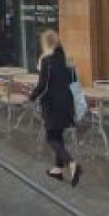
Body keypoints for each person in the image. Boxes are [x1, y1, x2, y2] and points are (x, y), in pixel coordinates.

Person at [29, 29, 82, 187]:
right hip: (67, 104)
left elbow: (42, 85)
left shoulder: (47, 61)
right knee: (58, 135)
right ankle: (58, 170)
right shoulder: (68, 60)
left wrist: (31, 97)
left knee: (51, 138)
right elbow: (75, 83)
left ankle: (71, 163)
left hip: (52, 104)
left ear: (46, 43)